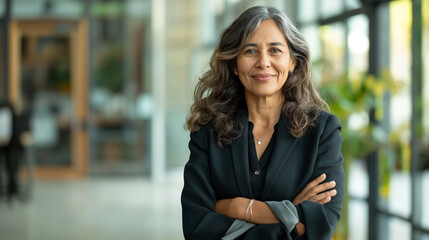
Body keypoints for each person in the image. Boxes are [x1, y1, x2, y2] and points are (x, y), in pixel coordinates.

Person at [181, 6, 345, 240]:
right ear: (234, 64)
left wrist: (237, 208)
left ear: (293, 62)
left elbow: (322, 224)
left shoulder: (322, 131)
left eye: (275, 50)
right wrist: (291, 215)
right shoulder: (208, 130)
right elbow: (197, 227)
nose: (263, 62)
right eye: (250, 51)